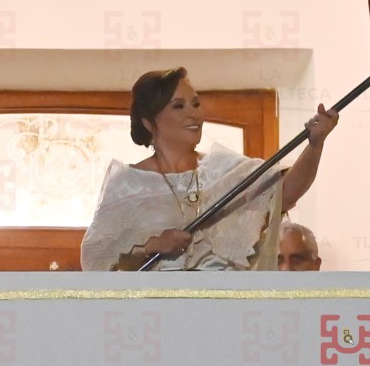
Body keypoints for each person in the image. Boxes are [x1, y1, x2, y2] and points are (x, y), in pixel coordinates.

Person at [80, 67, 337, 271]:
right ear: (149, 122)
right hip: (156, 315)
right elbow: (98, 260)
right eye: (178, 106)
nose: (194, 115)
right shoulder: (127, 184)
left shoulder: (225, 169)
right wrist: (151, 246)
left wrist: (315, 144)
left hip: (224, 311)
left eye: (196, 104)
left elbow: (286, 192)